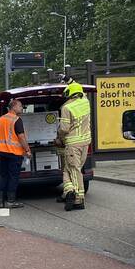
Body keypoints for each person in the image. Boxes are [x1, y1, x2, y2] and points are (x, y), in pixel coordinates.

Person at [55, 82, 92, 211]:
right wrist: (68, 79)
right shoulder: (86, 102)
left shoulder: (66, 107)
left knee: (74, 170)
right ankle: (68, 191)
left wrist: (58, 136)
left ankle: (78, 199)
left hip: (72, 144)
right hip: (85, 142)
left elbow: (64, 129)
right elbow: (78, 87)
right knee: (70, 169)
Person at [0, 99, 31, 208]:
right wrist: (27, 150)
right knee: (13, 177)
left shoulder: (0, 119)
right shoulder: (17, 120)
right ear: (14, 107)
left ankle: (0, 201)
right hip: (14, 153)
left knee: (3, 176)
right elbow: (21, 137)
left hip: (2, 152)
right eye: (20, 106)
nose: (21, 108)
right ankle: (11, 201)